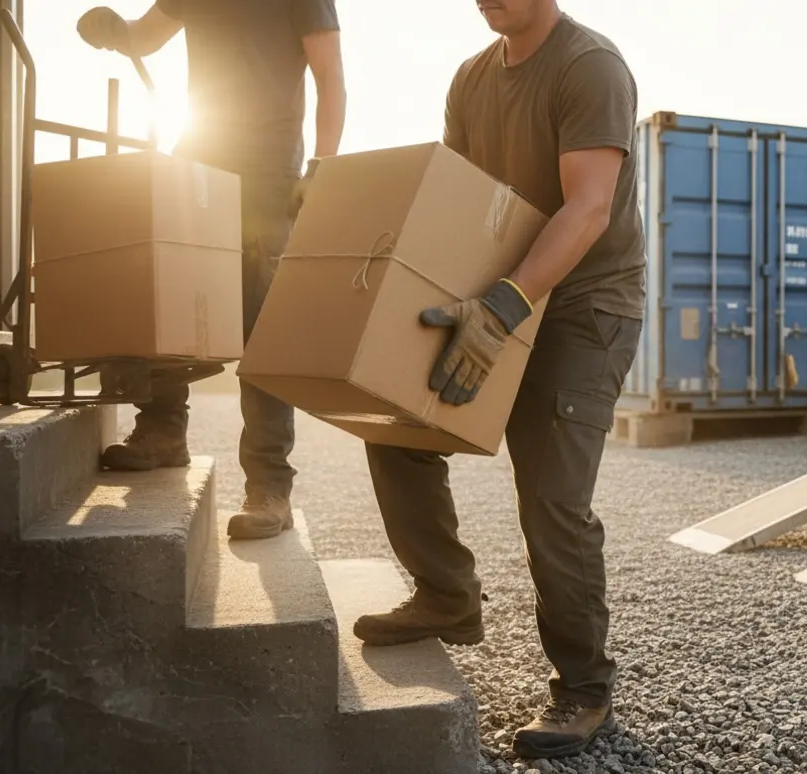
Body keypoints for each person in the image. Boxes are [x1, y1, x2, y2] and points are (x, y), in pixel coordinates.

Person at [352, 0, 645, 760]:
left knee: (550, 494)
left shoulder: (589, 66)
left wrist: (502, 310)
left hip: (585, 306)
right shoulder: (471, 79)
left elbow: (587, 210)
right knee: (394, 424)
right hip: (501, 289)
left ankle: (585, 687)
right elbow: (458, 202)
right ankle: (447, 595)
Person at [74, 1, 347, 540]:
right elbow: (144, 37)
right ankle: (162, 430)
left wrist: (322, 165)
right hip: (197, 155)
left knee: (263, 329)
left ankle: (269, 487)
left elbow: (331, 79)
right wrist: (111, 30)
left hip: (270, 173)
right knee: (167, 295)